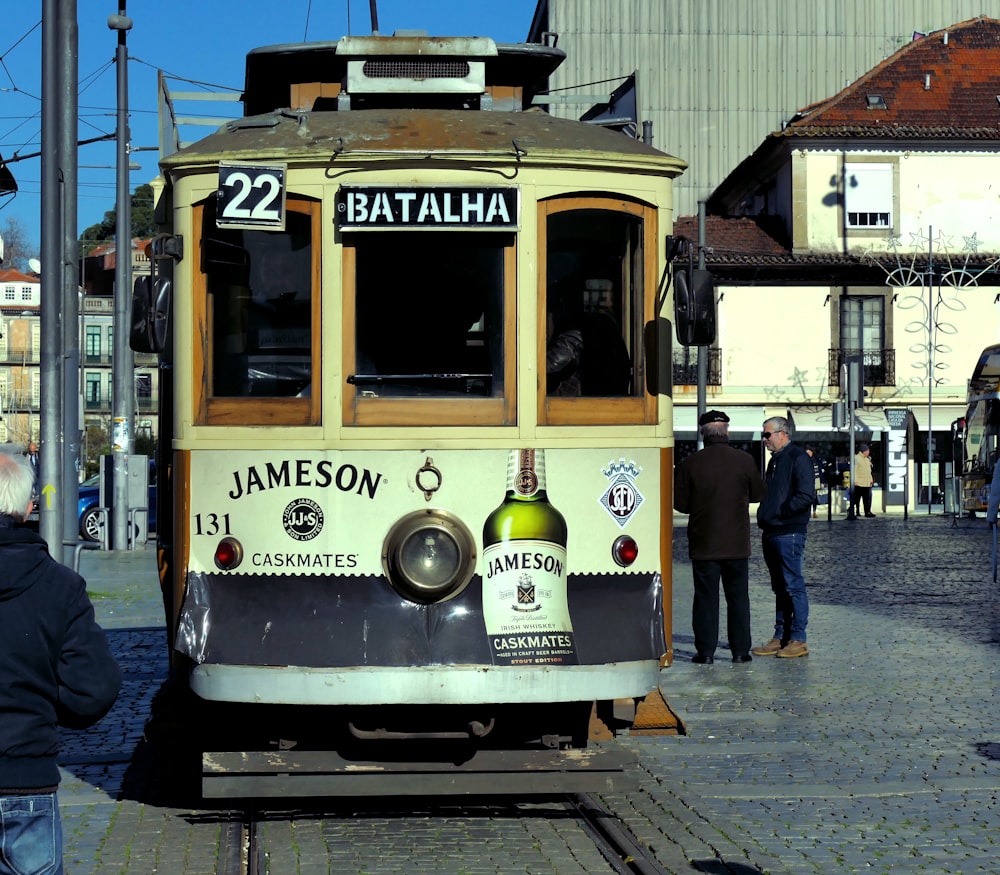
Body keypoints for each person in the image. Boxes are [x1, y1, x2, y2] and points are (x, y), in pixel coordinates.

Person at [0, 450, 122, 874]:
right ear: (29, 507)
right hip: (26, 778)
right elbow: (93, 689)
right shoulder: (59, 585)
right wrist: (45, 705)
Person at [674, 410, 766, 664]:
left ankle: (705, 652)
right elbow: (759, 494)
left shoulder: (691, 463)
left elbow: (680, 503)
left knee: (705, 599)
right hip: (736, 543)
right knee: (738, 598)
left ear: (703, 433)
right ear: (726, 431)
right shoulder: (744, 460)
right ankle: (740, 652)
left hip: (704, 543)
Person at [753, 416, 815, 659]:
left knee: (792, 584)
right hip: (772, 530)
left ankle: (798, 638)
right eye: (763, 434)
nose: (764, 439)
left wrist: (780, 512)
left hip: (788, 530)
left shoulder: (797, 458)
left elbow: (805, 495)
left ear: (783, 433)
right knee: (779, 587)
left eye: (767, 434)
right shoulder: (775, 461)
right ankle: (781, 635)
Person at [546, 279, 630, 396]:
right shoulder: (604, 323)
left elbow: (552, 365)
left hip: (585, 407)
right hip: (609, 404)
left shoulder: (578, 329)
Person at [850, 443, 876, 518]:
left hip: (867, 483)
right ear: (863, 451)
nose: (868, 452)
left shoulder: (867, 459)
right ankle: (855, 511)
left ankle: (867, 512)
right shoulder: (856, 458)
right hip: (859, 483)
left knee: (867, 499)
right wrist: (854, 481)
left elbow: (869, 471)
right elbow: (854, 470)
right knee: (856, 499)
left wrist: (871, 480)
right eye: (867, 451)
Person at [805, 446, 822, 518]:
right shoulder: (804, 461)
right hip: (807, 481)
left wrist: (822, 482)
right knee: (807, 497)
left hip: (816, 480)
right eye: (807, 453)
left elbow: (820, 472)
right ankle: (808, 512)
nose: (808, 454)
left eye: (809, 452)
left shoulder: (816, 461)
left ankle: (814, 511)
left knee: (814, 498)